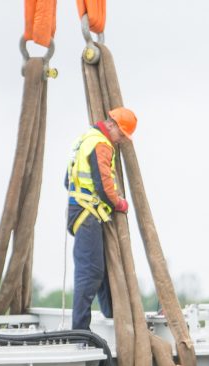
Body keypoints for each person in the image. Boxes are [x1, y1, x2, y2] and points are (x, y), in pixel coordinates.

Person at [65, 106, 137, 331]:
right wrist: (119, 203)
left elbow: (67, 180)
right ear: (113, 125)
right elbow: (104, 186)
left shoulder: (85, 139)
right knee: (90, 272)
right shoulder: (101, 144)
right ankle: (80, 330)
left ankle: (111, 313)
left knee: (102, 268)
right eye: (122, 135)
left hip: (83, 211)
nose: (121, 141)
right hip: (87, 214)